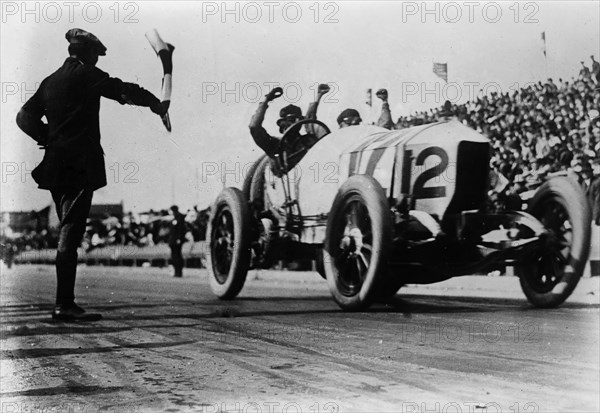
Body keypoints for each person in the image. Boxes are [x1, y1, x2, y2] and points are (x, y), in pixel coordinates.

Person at [16, 28, 168, 321]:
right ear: (87, 53)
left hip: (54, 164)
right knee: (71, 231)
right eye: (96, 55)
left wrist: (48, 136)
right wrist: (153, 102)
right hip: (79, 164)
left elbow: (23, 116)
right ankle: (64, 305)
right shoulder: (87, 75)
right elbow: (122, 89)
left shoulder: (50, 80)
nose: (97, 61)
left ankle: (65, 303)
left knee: (68, 227)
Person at [249, 84, 330, 166]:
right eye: (291, 120)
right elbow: (254, 127)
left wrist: (318, 96)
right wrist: (266, 100)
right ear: (282, 125)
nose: (296, 122)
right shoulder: (276, 146)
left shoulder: (308, 140)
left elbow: (311, 122)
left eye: (298, 120)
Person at [168, 205, 187, 278]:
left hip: (177, 240)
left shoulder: (180, 217)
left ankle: (179, 272)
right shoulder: (174, 217)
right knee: (174, 256)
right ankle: (176, 272)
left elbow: (180, 229)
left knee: (177, 256)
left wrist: (179, 238)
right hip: (173, 240)